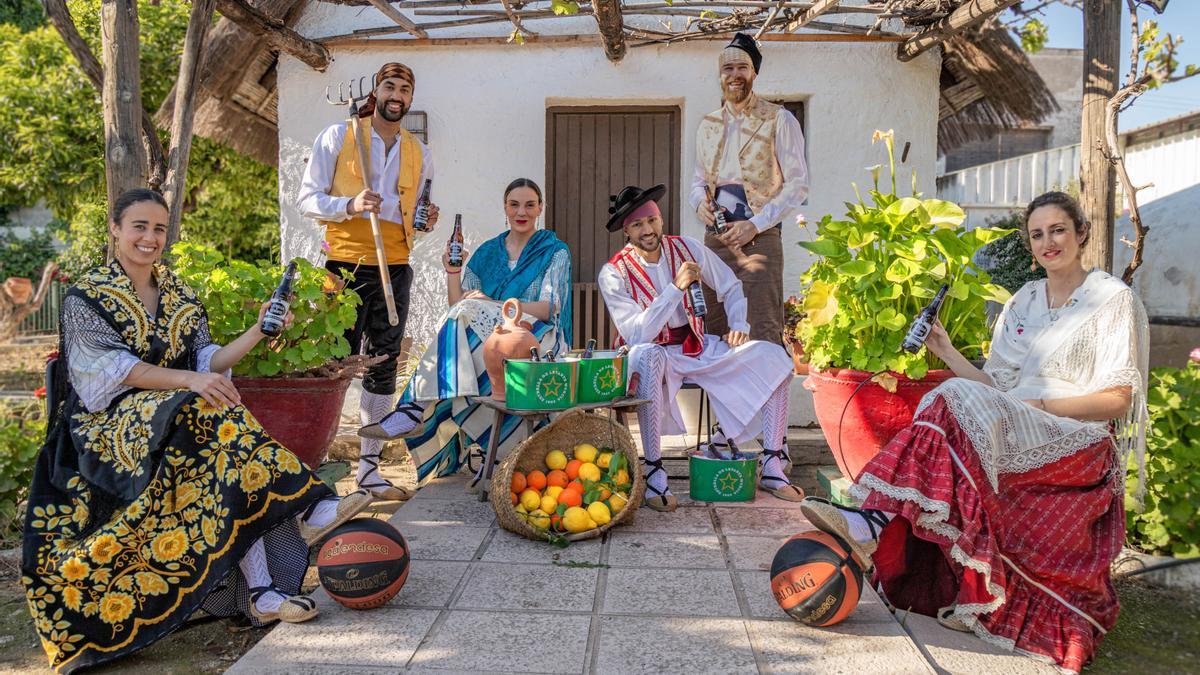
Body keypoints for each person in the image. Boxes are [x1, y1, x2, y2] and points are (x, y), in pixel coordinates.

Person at [22, 189, 372, 673]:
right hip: (106, 428)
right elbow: (111, 371)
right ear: (116, 230)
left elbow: (209, 360)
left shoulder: (180, 293)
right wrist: (191, 381)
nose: (150, 237)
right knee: (203, 408)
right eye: (139, 226)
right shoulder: (88, 296)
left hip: (177, 415)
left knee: (213, 429)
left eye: (159, 229)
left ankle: (266, 591)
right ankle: (307, 512)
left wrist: (258, 332)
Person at [800, 192, 1149, 673]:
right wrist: (944, 351)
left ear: (1081, 233)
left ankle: (870, 521)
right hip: (1018, 418)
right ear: (1030, 245)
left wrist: (1040, 404)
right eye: (1038, 234)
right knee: (942, 395)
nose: (1049, 242)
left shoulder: (1112, 300)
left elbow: (1118, 399)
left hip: (1075, 430)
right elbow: (992, 386)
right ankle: (877, 526)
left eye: (1058, 230)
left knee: (947, 400)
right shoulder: (1024, 301)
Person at [597, 184, 803, 511]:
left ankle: (772, 462)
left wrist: (738, 324)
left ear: (660, 219)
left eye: (652, 220)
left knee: (774, 357)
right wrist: (675, 289)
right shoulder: (613, 273)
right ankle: (653, 469)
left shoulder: (687, 248)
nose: (648, 230)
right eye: (637, 225)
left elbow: (731, 286)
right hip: (647, 352)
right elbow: (638, 334)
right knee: (650, 356)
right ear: (626, 231)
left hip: (693, 345)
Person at [360, 178, 571, 488]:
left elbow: (550, 307)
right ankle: (483, 445)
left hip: (538, 336)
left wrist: (498, 305)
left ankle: (415, 407)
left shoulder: (555, 251)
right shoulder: (488, 252)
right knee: (466, 322)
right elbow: (458, 306)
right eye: (514, 204)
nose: (521, 211)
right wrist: (452, 273)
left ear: (540, 208)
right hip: (496, 333)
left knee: (478, 334)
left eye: (529, 204)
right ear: (505, 208)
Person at [297, 61, 438, 502]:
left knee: (382, 366)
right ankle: (317, 471)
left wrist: (426, 220)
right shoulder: (339, 137)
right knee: (332, 366)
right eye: (389, 85)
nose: (397, 94)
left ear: (411, 99)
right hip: (343, 267)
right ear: (376, 92)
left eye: (405, 88)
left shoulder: (420, 152)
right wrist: (351, 204)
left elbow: (417, 211)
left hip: (394, 267)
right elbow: (306, 199)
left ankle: (369, 473)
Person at [689, 32, 809, 348]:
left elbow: (798, 185)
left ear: (754, 72)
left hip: (760, 239)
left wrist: (753, 225)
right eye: (727, 69)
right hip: (715, 241)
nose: (734, 75)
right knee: (715, 330)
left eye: (741, 67)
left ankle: (766, 398)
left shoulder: (780, 119)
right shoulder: (707, 126)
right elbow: (697, 184)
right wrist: (700, 204)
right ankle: (721, 399)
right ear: (720, 75)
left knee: (761, 330)